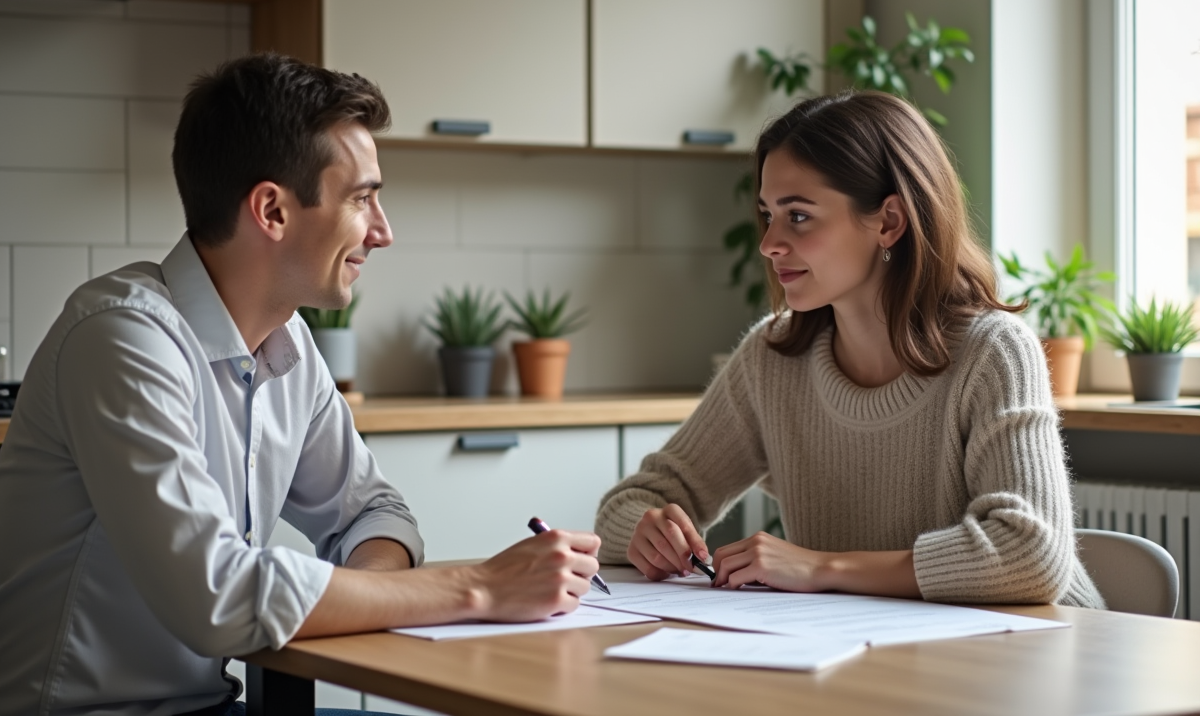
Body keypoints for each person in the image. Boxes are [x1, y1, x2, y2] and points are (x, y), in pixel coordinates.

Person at [0, 53, 601, 716]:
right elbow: (219, 598)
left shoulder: (288, 348)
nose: (383, 231)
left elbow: (376, 515)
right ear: (273, 211)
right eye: (362, 198)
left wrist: (368, 593)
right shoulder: (124, 341)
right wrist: (479, 587)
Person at [594, 90, 1104, 608]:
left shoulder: (993, 352)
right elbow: (632, 502)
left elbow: (1032, 557)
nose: (769, 242)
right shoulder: (771, 360)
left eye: (798, 216)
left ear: (888, 222)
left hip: (1045, 656)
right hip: (879, 651)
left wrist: (820, 568)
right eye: (767, 214)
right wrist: (647, 529)